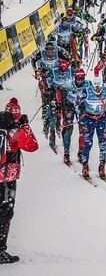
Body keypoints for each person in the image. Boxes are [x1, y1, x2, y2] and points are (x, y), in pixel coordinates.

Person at [0, 100, 38, 264]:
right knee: (5, 213)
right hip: (7, 178)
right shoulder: (16, 131)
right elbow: (33, 145)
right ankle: (1, 250)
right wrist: (25, 125)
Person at [76, 75, 106, 179]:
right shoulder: (86, 91)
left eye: (99, 87)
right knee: (87, 144)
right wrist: (81, 109)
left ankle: (102, 166)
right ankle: (85, 166)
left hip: (101, 120)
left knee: (102, 144)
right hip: (89, 120)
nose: (97, 90)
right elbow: (76, 103)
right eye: (95, 88)